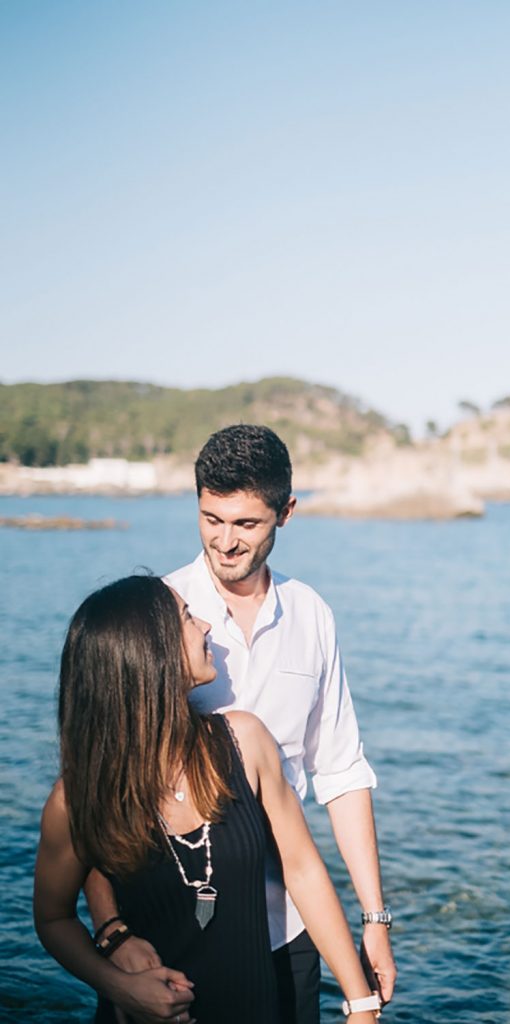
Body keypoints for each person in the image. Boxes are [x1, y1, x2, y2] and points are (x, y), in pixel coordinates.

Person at [86, 425, 396, 1024]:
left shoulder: (312, 615)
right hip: (170, 930)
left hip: (289, 925)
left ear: (286, 513)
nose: (224, 542)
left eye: (246, 524)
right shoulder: (160, 612)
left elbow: (340, 771)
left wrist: (374, 919)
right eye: (210, 519)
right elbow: (102, 782)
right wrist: (112, 932)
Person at [34, 575, 382, 1024]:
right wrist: (121, 984)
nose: (205, 626)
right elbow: (53, 919)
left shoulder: (245, 740)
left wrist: (360, 1003)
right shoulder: (75, 799)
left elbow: (303, 869)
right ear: (149, 654)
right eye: (186, 618)